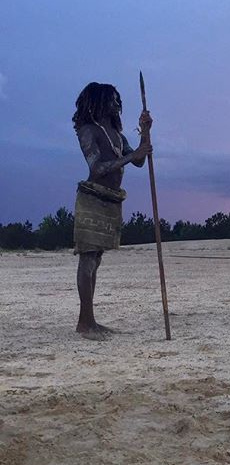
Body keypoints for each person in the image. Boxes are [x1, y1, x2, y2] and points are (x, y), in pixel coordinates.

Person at [72, 82, 152, 339]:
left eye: (119, 99)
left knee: (95, 260)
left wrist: (145, 132)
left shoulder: (118, 135)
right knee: (87, 258)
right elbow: (97, 168)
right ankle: (85, 323)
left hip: (111, 200)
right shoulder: (88, 131)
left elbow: (140, 160)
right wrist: (133, 155)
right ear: (100, 101)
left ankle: (90, 320)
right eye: (113, 99)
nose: (118, 103)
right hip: (92, 198)